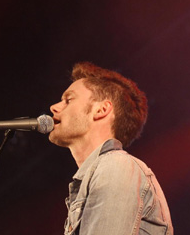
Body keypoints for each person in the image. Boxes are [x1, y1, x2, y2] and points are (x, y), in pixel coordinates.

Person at [49, 62, 173, 235]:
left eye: (68, 100)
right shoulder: (105, 169)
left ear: (102, 109)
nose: (54, 107)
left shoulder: (115, 166)